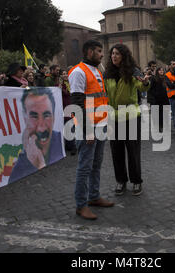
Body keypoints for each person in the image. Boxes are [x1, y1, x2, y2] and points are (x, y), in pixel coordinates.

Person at [68, 40, 114, 220]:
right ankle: (81, 205)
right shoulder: (78, 72)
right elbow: (77, 103)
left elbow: (101, 99)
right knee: (84, 167)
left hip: (100, 125)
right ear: (89, 52)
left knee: (96, 164)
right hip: (88, 128)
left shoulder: (96, 70)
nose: (102, 54)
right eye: (98, 51)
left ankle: (94, 197)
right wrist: (86, 130)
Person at [104, 43, 150, 196]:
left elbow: (142, 86)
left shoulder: (132, 71)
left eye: (117, 53)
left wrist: (145, 82)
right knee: (116, 152)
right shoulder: (108, 73)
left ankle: (136, 181)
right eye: (112, 54)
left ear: (124, 55)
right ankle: (121, 181)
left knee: (133, 151)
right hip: (113, 117)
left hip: (130, 116)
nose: (114, 56)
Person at [9, 87, 63, 183]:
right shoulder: (18, 169)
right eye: (34, 117)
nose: (41, 128)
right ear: (25, 118)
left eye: (46, 115)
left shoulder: (60, 142)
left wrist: (40, 164)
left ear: (54, 116)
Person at [60, 69, 77, 155]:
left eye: (66, 73)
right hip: (65, 108)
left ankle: (72, 145)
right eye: (63, 74)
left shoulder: (71, 83)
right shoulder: (61, 85)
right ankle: (71, 146)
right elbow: (65, 94)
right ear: (61, 76)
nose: (65, 75)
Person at [151, 67, 170, 132]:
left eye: (162, 70)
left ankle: (165, 126)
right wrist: (155, 95)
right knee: (159, 114)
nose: (161, 71)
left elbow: (170, 85)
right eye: (160, 70)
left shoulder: (165, 78)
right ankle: (159, 126)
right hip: (157, 99)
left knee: (165, 113)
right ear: (157, 71)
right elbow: (151, 88)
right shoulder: (154, 78)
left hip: (165, 98)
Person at [165, 60, 175, 136]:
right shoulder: (167, 75)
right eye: (173, 64)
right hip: (172, 96)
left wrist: (174, 83)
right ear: (170, 66)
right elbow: (170, 85)